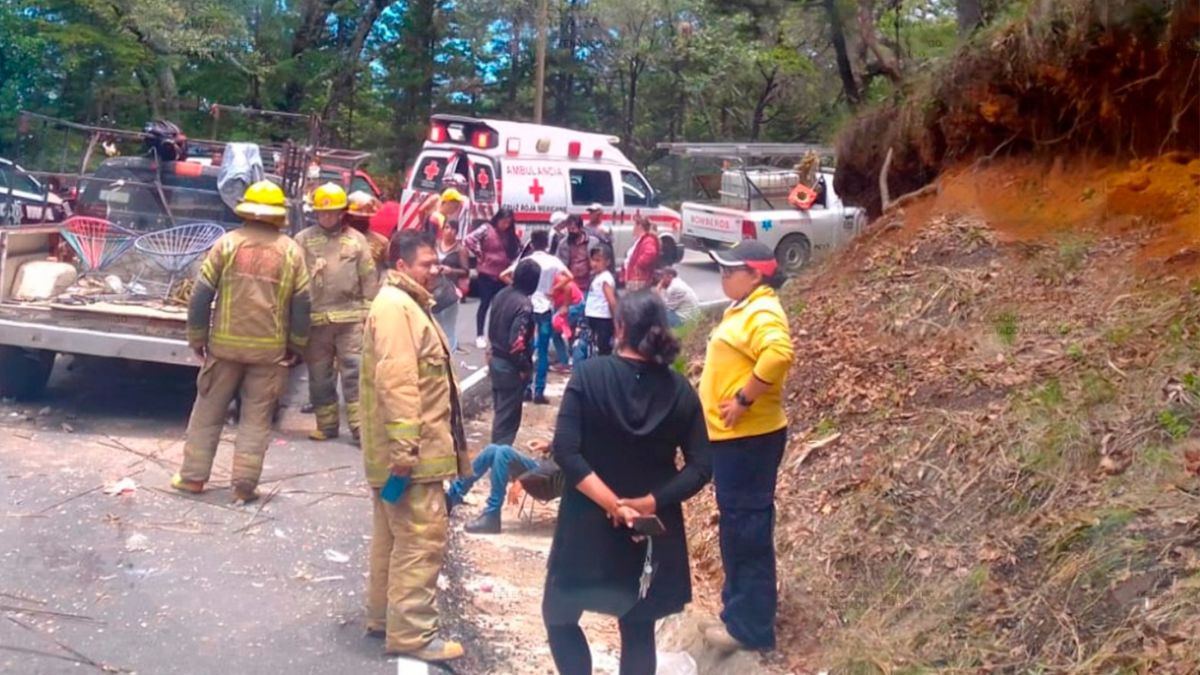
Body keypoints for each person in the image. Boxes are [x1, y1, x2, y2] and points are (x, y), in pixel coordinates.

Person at [543, 290, 713, 675]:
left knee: (559, 615)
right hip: (650, 533)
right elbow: (702, 466)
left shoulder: (588, 376)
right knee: (638, 628)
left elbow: (566, 452)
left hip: (586, 524)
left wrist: (612, 504)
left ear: (619, 328)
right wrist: (650, 502)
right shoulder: (680, 391)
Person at [360, 229, 470, 662]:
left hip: (402, 458)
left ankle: (383, 616)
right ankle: (412, 634)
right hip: (411, 460)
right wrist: (405, 451)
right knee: (420, 539)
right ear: (401, 265)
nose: (435, 271)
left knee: (391, 535)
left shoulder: (405, 305)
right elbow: (399, 380)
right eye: (427, 264)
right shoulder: (396, 309)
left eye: (436, 262)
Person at [171, 180, 311, 503]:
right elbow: (303, 305)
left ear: (246, 209)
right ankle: (244, 485)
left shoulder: (228, 244)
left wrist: (197, 337)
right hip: (269, 353)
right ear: (278, 215)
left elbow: (201, 295)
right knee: (255, 419)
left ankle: (192, 478)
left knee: (207, 412)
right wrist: (296, 346)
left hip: (223, 348)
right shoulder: (292, 251)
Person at [697, 240, 795, 654]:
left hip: (749, 441)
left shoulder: (763, 309)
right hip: (734, 442)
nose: (723, 275)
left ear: (756, 274)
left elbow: (778, 355)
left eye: (731, 270)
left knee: (747, 531)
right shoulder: (744, 306)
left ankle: (750, 629)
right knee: (738, 529)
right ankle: (737, 614)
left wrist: (742, 399)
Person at [294, 183, 380, 442]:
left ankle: (359, 429)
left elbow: (368, 278)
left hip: (350, 319)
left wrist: (368, 314)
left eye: (332, 212)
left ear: (342, 212)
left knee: (355, 374)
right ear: (315, 213)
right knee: (319, 376)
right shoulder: (303, 240)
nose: (327, 217)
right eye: (322, 212)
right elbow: (295, 278)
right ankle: (327, 425)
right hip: (316, 321)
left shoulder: (356, 240)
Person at [503, 230, 572, 404]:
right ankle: (539, 391)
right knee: (542, 351)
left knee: (527, 348)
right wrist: (554, 290)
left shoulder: (526, 261)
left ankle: (526, 388)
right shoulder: (553, 261)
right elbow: (569, 277)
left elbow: (503, 275)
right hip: (545, 308)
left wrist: (519, 288)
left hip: (528, 306)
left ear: (532, 244)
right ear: (547, 244)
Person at [487, 258, 539, 446]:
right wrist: (524, 367)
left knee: (500, 411)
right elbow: (516, 343)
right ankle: (499, 462)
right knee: (507, 420)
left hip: (495, 360)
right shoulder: (524, 304)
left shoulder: (502, 294)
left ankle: (496, 455)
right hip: (510, 366)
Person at [447, 439, 546, 535]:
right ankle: (451, 497)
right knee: (492, 450)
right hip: (545, 465)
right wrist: (549, 446)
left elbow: (558, 465)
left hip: (550, 477)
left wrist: (523, 480)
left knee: (504, 452)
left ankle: (492, 515)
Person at [465, 208, 521, 349]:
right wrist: (480, 254)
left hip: (503, 274)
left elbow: (517, 250)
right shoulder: (486, 228)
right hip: (486, 274)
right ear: (497, 219)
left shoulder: (509, 234)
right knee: (485, 304)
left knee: (500, 306)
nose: (505, 225)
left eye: (508, 222)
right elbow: (469, 239)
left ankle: (497, 335)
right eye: (503, 221)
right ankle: (479, 335)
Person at [432, 221, 469, 352]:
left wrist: (450, 270)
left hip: (450, 290)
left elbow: (466, 271)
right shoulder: (435, 244)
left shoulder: (460, 249)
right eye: (447, 228)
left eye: (453, 229)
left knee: (449, 325)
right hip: (433, 288)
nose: (449, 231)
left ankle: (450, 354)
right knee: (435, 324)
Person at [584, 246, 618, 356]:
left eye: (598, 260)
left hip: (602, 319)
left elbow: (612, 301)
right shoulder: (597, 277)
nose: (594, 263)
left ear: (607, 262)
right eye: (592, 260)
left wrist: (616, 323)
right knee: (593, 347)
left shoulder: (605, 278)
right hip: (594, 316)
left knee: (602, 348)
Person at [555, 215, 595, 292]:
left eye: (573, 229)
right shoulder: (563, 244)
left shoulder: (592, 242)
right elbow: (558, 264)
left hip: (589, 283)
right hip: (571, 284)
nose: (571, 232)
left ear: (580, 228)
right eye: (569, 229)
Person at [623, 217, 660, 291]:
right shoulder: (641, 239)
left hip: (639, 280)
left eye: (634, 226)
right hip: (634, 279)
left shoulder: (648, 240)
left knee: (635, 300)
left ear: (639, 226)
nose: (633, 228)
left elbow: (650, 253)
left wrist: (638, 265)